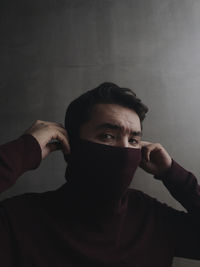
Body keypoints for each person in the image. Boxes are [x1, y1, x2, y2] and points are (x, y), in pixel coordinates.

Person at [0, 82, 199, 267]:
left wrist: (173, 173)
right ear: (71, 145)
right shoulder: (19, 221)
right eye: (107, 136)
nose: (125, 151)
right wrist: (25, 150)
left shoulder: (152, 219)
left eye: (133, 140)